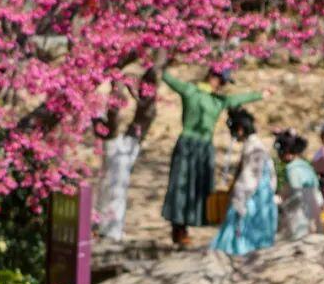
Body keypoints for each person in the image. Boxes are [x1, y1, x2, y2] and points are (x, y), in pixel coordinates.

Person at [160, 63, 261, 246]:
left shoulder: (214, 99)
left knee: (195, 187)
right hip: (190, 144)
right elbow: (169, 79)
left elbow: (237, 99)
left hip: (202, 147)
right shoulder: (193, 92)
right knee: (182, 185)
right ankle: (179, 227)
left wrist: (261, 94)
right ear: (213, 77)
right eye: (221, 81)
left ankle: (184, 225)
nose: (221, 85)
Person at [92, 66, 157, 243]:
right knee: (110, 193)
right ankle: (108, 230)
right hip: (114, 148)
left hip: (119, 148)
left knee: (110, 193)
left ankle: (109, 229)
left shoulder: (121, 142)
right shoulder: (101, 105)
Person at [212, 108, 278, 256]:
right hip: (262, 198)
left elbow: (250, 178)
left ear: (240, 129)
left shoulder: (254, 148)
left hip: (254, 199)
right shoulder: (256, 145)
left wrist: (238, 198)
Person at [275, 129, 324, 241]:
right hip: (314, 214)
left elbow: (296, 197)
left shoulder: (292, 169)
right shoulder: (305, 166)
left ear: (287, 152)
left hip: (301, 220)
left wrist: (280, 204)